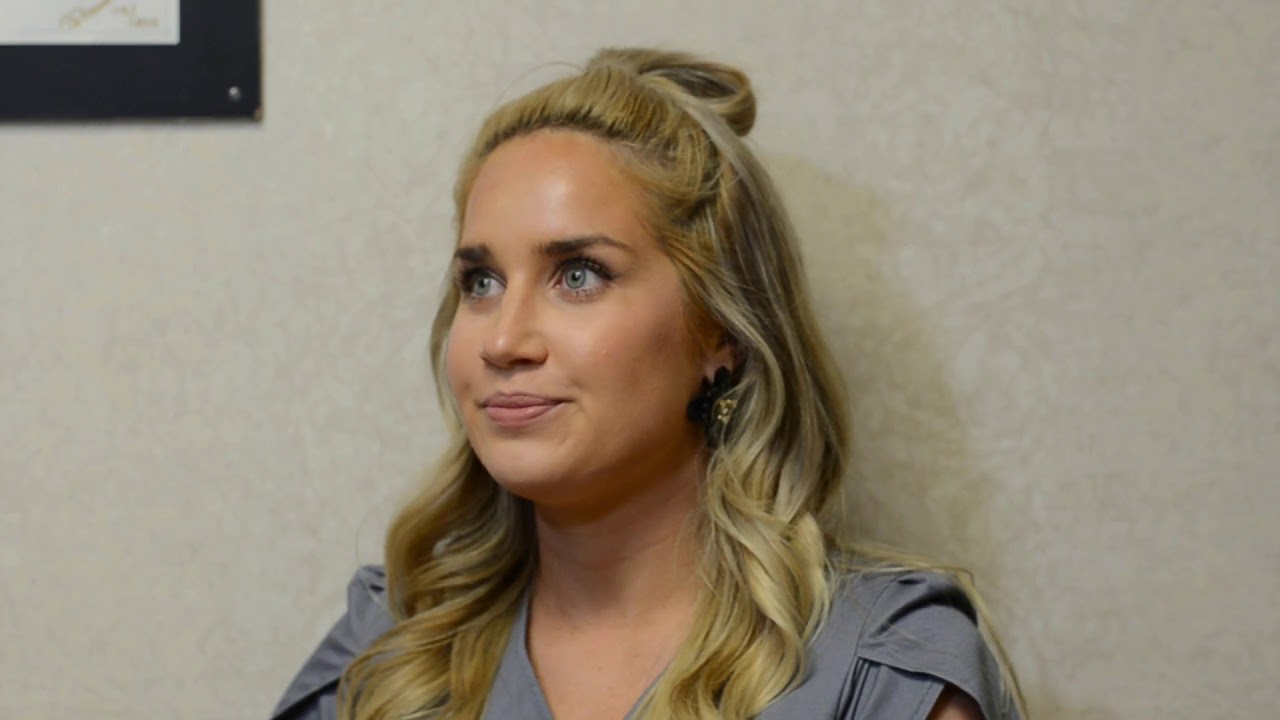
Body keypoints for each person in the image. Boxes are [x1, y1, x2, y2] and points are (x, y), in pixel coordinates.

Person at [272, 48, 1025, 720]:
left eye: (578, 275)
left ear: (721, 331)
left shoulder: (883, 670)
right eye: (481, 282)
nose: (502, 340)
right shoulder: (385, 654)